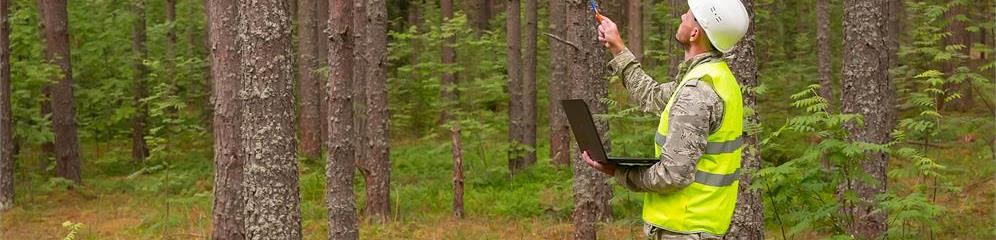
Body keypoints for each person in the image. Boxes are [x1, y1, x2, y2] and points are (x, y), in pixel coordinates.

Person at [582, 0, 751, 239]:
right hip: (693, 228)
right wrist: (617, 48)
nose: (682, 16)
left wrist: (617, 171)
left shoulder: (697, 90)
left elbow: (673, 175)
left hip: (683, 230)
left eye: (689, 15)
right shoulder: (712, 77)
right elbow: (653, 96)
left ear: (695, 33)